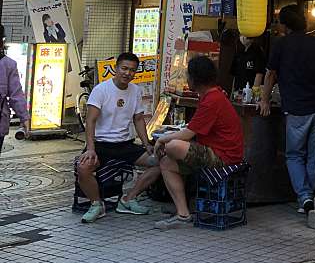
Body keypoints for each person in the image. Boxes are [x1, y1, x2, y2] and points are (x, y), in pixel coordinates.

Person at [153, 55, 243, 230]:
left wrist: (162, 139)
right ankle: (183, 214)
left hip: (223, 156)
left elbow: (188, 134)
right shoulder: (211, 95)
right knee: (166, 162)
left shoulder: (212, 99)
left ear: (195, 78)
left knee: (172, 146)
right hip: (213, 151)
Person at [77, 52, 162, 224]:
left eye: (132, 70)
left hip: (125, 144)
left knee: (161, 162)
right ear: (115, 68)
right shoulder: (101, 90)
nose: (127, 73)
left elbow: (138, 119)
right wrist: (91, 149)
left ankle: (128, 199)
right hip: (101, 144)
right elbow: (90, 120)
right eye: (124, 68)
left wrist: (147, 145)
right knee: (83, 168)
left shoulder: (135, 91)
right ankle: (96, 205)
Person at [260, 5, 315, 215]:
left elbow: (270, 75)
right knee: (314, 154)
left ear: (285, 25)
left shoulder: (281, 44)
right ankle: (310, 195)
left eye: (279, 21)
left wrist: (264, 100)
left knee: (295, 155)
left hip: (297, 109)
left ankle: (304, 196)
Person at [0, 27, 30, 153]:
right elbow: (16, 94)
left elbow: (16, 94)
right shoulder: (8, 64)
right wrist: (24, 118)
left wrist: (24, 117)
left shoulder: (8, 64)